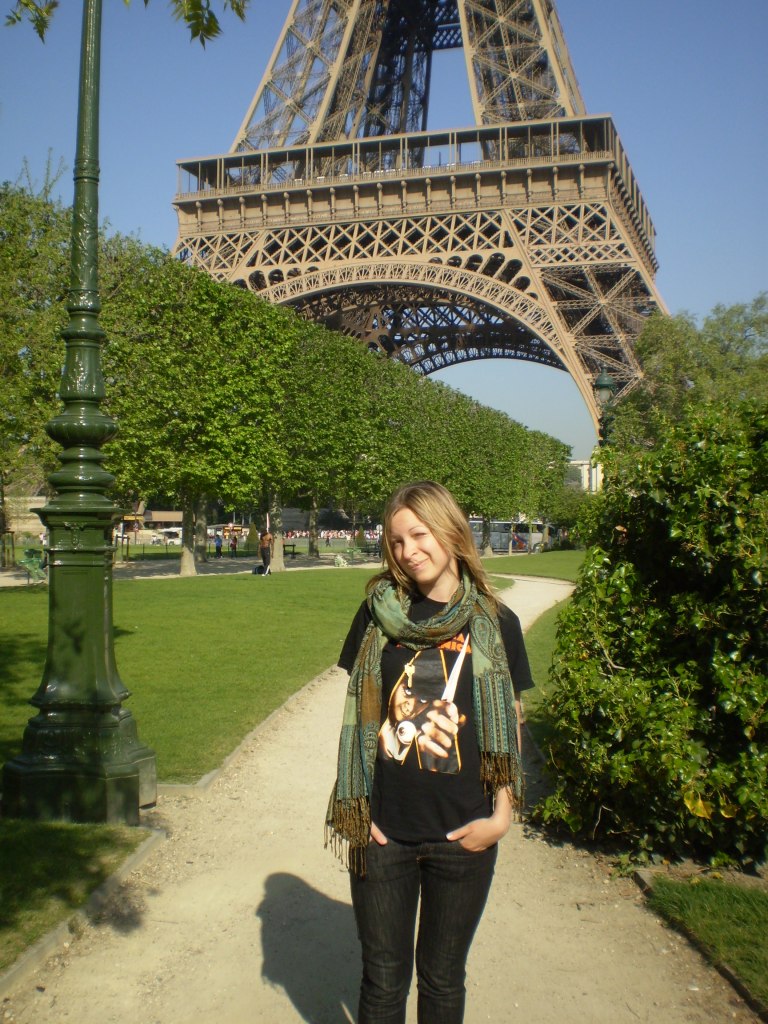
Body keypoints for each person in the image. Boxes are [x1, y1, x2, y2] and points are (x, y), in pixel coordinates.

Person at [326, 480, 533, 1024]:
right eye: (396, 541)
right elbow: (360, 720)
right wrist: (359, 809)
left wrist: (501, 816)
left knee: (442, 981)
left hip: (463, 835)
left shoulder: (497, 622)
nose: (408, 551)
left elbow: (510, 722)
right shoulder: (376, 616)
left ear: (450, 531)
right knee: (383, 982)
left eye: (419, 535)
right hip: (384, 833)